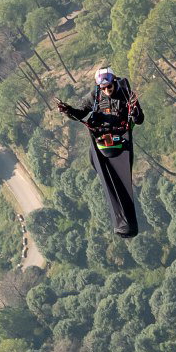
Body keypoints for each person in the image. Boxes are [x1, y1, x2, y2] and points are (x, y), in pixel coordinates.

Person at [56, 67, 144, 237]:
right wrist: (68, 111)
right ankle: (121, 224)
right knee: (100, 169)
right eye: (103, 88)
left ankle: (128, 225)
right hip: (101, 140)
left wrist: (134, 113)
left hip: (120, 140)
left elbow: (139, 120)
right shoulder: (94, 96)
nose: (106, 90)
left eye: (109, 87)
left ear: (114, 82)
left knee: (121, 180)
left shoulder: (126, 95)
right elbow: (80, 114)